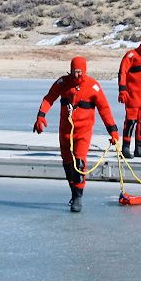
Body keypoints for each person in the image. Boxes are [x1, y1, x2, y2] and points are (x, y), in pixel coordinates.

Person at [33, 56, 119, 212]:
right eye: (74, 71)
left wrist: (113, 131)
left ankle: (78, 196)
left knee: (79, 162)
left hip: (83, 132)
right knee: (67, 163)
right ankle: (73, 192)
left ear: (84, 71)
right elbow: (49, 98)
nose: (76, 75)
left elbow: (104, 109)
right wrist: (41, 116)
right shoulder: (63, 83)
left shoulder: (93, 86)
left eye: (79, 72)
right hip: (65, 131)